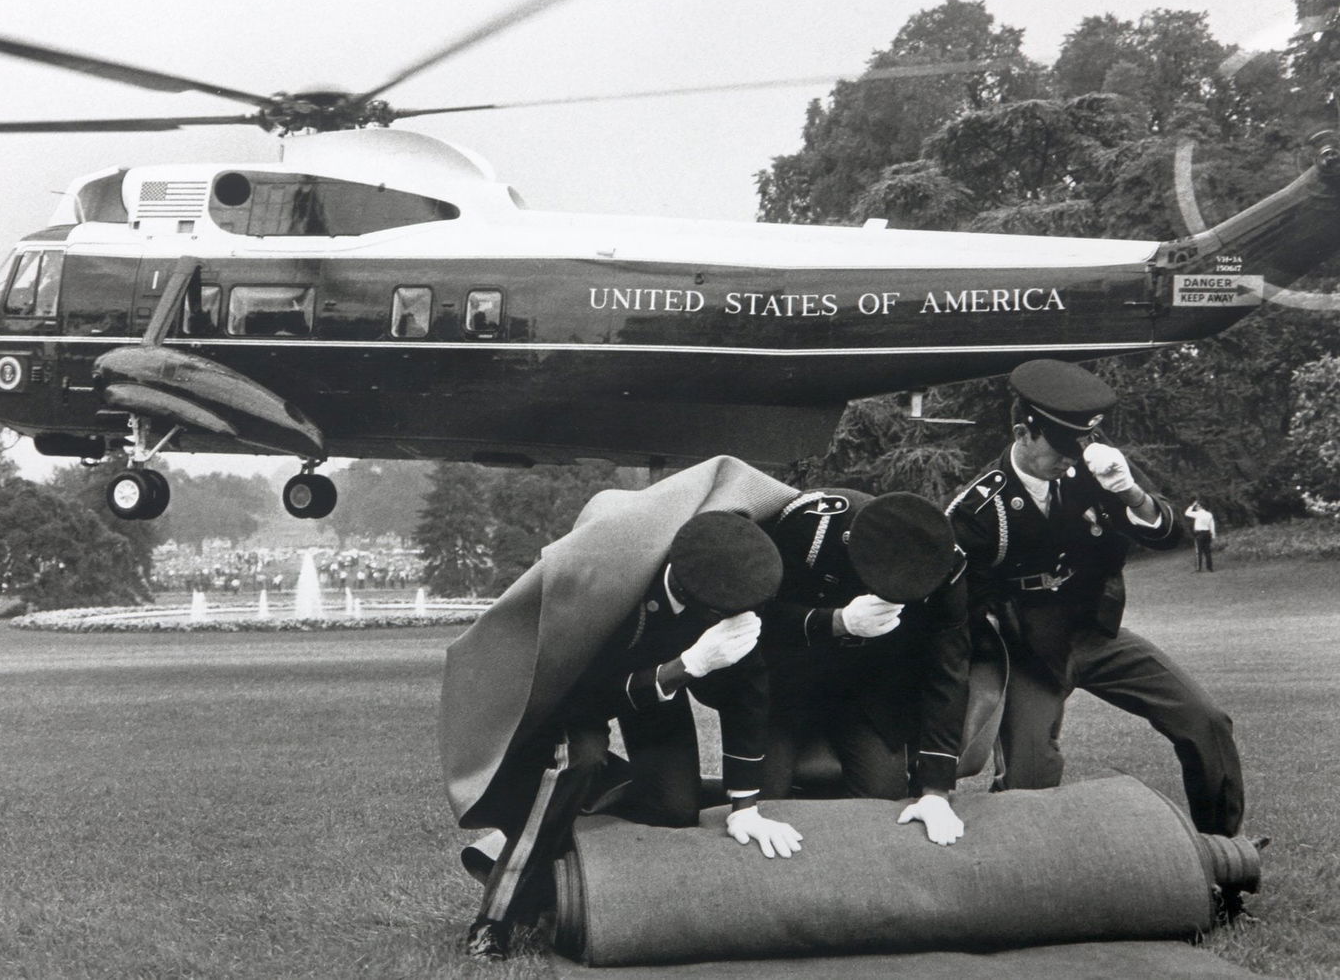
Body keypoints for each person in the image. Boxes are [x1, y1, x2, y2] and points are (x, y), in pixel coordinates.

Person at [441, 458, 805, 961]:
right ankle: (494, 919)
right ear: (685, 586)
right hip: (576, 687)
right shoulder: (616, 585)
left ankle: (547, 849)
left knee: (674, 809)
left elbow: (750, 699)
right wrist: (684, 667)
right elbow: (584, 694)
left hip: (662, 681)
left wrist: (747, 808)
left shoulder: (731, 590)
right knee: (578, 761)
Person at [947, 359, 1243, 839]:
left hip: (1095, 632)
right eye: (1060, 449)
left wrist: (1129, 493)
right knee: (1030, 778)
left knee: (1206, 722)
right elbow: (958, 606)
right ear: (1024, 433)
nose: (1070, 459)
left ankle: (1223, 859)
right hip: (1027, 650)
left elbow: (1168, 533)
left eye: (1078, 446)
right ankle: (1024, 877)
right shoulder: (980, 508)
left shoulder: (1095, 465)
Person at [760, 489, 973, 846]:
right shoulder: (813, 527)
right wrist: (834, 621)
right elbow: (759, 617)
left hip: (869, 691)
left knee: (885, 801)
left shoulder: (946, 565)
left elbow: (947, 672)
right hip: (791, 685)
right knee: (764, 799)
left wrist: (936, 791)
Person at [1185, 498, 1217, 572]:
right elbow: (1212, 525)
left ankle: (1198, 568)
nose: (1195, 508)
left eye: (1196, 507)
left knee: (1198, 552)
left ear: (1200, 506)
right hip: (1207, 533)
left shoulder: (1198, 514)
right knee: (1207, 551)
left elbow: (1186, 513)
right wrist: (1213, 534)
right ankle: (1210, 568)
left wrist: (1192, 505)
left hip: (1199, 534)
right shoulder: (1209, 514)